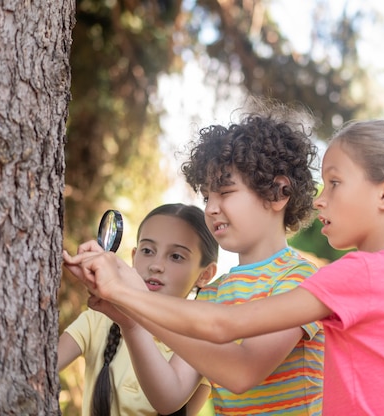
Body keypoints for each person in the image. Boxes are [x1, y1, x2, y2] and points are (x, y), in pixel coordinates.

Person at [66, 104, 325, 415]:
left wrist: (127, 294)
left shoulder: (301, 280)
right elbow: (169, 396)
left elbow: (242, 372)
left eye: (225, 192)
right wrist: (131, 321)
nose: (211, 208)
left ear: (279, 193)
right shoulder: (213, 294)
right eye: (206, 197)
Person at [58, 203, 219, 416]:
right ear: (133, 257)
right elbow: (34, 370)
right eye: (147, 251)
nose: (156, 265)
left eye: (176, 256)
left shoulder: (200, 339)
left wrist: (131, 323)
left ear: (205, 274)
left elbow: (167, 401)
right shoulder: (98, 321)